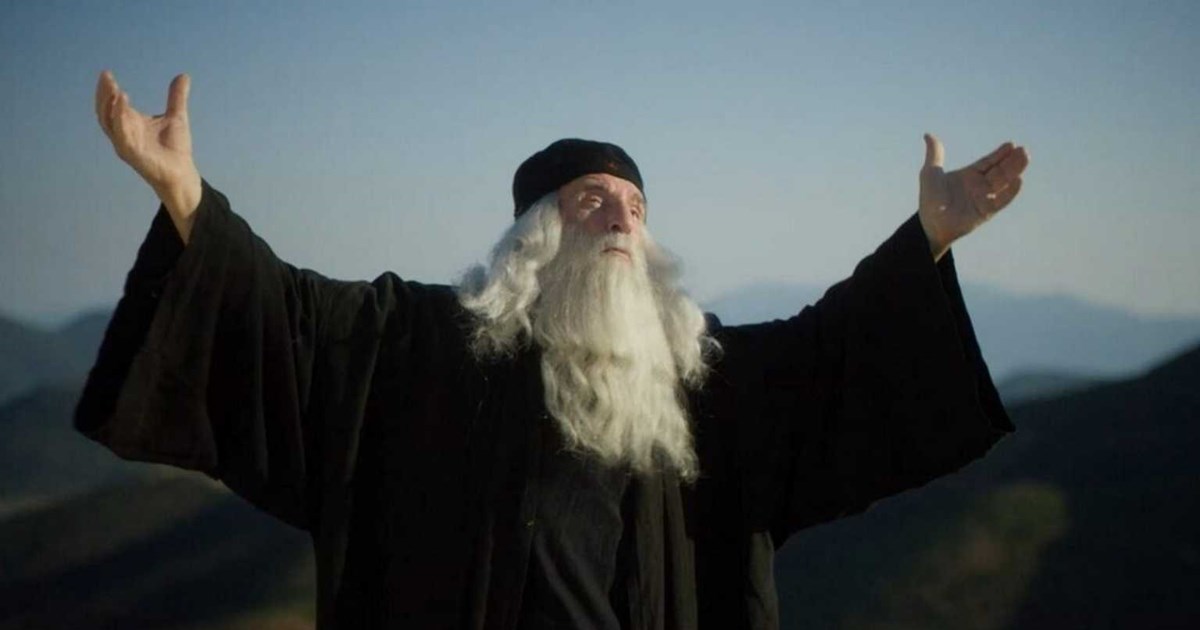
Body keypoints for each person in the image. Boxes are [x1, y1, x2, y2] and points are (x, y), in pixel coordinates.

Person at [78, 71, 1029, 629]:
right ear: (537, 232)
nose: (622, 219)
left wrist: (928, 239)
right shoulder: (424, 345)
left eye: (637, 207)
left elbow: (834, 355)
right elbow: (285, 317)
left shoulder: (700, 380)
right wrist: (187, 197)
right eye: (594, 201)